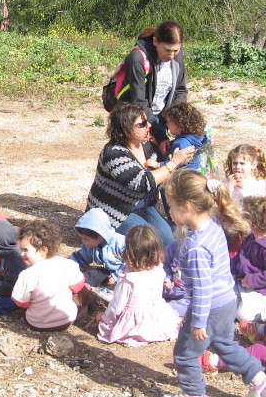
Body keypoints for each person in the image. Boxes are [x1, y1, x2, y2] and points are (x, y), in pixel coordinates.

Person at [159, 170, 266, 397]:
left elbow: (201, 290)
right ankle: (259, 380)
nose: (168, 211)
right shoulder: (213, 226)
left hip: (208, 308)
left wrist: (197, 322)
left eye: (170, 205)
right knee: (224, 344)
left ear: (186, 206)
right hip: (226, 301)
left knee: (185, 353)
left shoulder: (195, 247)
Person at [86, 101, 195, 244]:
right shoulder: (113, 153)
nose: (149, 126)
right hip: (115, 212)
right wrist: (174, 161)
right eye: (142, 124)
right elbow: (143, 183)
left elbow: (164, 174)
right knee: (152, 245)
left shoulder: (148, 146)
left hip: (144, 207)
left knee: (173, 241)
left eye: (147, 121)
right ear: (126, 128)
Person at [98, 225, 180, 346]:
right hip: (157, 316)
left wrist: (105, 318)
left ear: (129, 253)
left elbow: (116, 307)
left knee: (105, 326)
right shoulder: (158, 271)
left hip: (135, 321)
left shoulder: (128, 280)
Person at [112, 21, 187, 145]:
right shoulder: (137, 58)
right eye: (167, 50)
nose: (172, 56)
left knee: (159, 159)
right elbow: (139, 101)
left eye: (176, 50)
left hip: (161, 118)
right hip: (134, 118)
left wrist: (175, 119)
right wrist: (159, 135)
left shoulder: (177, 58)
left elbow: (180, 91)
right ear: (155, 41)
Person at [11, 220, 87, 332]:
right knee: (83, 293)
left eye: (25, 250)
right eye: (21, 249)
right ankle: (85, 309)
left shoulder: (27, 275)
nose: (21, 254)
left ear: (43, 250)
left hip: (36, 323)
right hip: (66, 321)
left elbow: (21, 302)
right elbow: (78, 286)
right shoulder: (66, 264)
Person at [69, 208, 126, 288]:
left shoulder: (120, 243)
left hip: (126, 275)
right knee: (89, 276)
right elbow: (81, 257)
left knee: (117, 286)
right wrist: (67, 266)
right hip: (108, 272)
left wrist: (117, 276)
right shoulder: (91, 245)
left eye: (86, 239)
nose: (83, 241)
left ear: (99, 237)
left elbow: (131, 263)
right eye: (81, 238)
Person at [161, 102, 216, 175]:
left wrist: (159, 165)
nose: (167, 124)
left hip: (187, 176)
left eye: (169, 121)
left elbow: (178, 162)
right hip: (201, 171)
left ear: (180, 125)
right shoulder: (198, 135)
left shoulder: (182, 143)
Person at [221, 145, 266, 209]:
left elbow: (256, 205)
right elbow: (221, 203)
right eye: (234, 163)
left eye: (242, 163)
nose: (238, 167)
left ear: (253, 165)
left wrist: (244, 187)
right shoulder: (225, 182)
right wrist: (229, 187)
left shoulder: (258, 184)